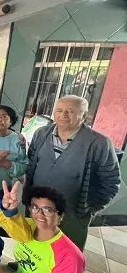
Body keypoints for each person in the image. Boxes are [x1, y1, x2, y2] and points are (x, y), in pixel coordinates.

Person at [25, 95, 120, 250]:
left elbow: (111, 181)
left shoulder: (99, 143)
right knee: (35, 242)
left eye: (70, 111)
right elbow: (30, 163)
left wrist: (91, 208)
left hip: (73, 212)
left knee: (67, 250)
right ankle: (29, 268)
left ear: (84, 116)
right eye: (59, 110)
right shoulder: (41, 134)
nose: (63, 115)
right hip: (38, 206)